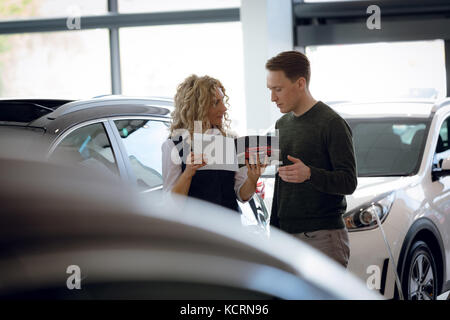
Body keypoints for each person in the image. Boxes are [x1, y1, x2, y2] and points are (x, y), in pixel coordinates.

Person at [266, 51, 357, 267]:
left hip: (322, 238)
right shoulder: (282, 124)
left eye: (278, 89)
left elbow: (348, 181)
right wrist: (274, 231)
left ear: (300, 83)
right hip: (286, 238)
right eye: (270, 90)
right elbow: (282, 184)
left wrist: (309, 174)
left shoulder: (332, 123)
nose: (272, 98)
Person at [162, 74, 265, 212]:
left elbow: (242, 196)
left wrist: (252, 179)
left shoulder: (231, 142)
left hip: (228, 228)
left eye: (223, 101)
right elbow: (171, 205)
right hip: (194, 230)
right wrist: (188, 172)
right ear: (198, 108)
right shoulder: (174, 146)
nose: (224, 109)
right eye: (216, 103)